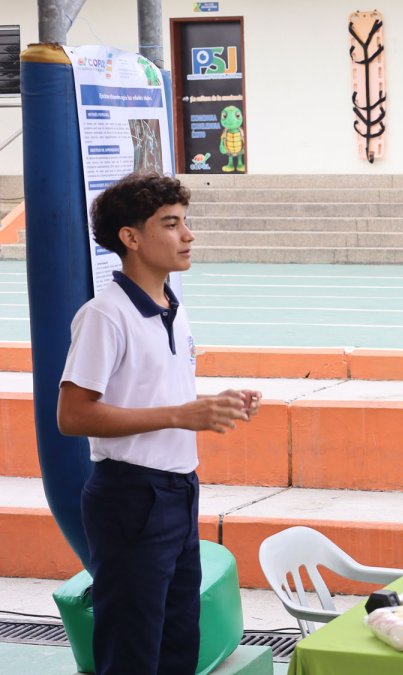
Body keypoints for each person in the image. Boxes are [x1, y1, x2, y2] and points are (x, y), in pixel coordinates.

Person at [57, 173, 262, 675]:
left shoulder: (173, 307)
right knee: (132, 650)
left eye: (185, 222)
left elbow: (154, 394)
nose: (187, 235)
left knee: (177, 643)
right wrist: (182, 414)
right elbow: (73, 415)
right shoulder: (105, 315)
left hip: (178, 491)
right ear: (130, 237)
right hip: (131, 497)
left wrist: (213, 403)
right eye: (170, 224)